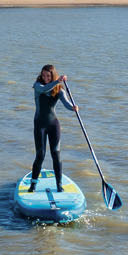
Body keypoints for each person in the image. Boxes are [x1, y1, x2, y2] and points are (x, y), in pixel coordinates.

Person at [29, 64, 77, 192]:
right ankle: (33, 185)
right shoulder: (38, 86)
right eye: (43, 75)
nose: (45, 77)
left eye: (48, 76)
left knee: (56, 154)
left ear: (53, 75)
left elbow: (67, 103)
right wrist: (57, 81)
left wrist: (73, 107)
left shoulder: (59, 90)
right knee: (40, 155)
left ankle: (59, 186)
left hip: (53, 124)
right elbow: (45, 89)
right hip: (40, 124)